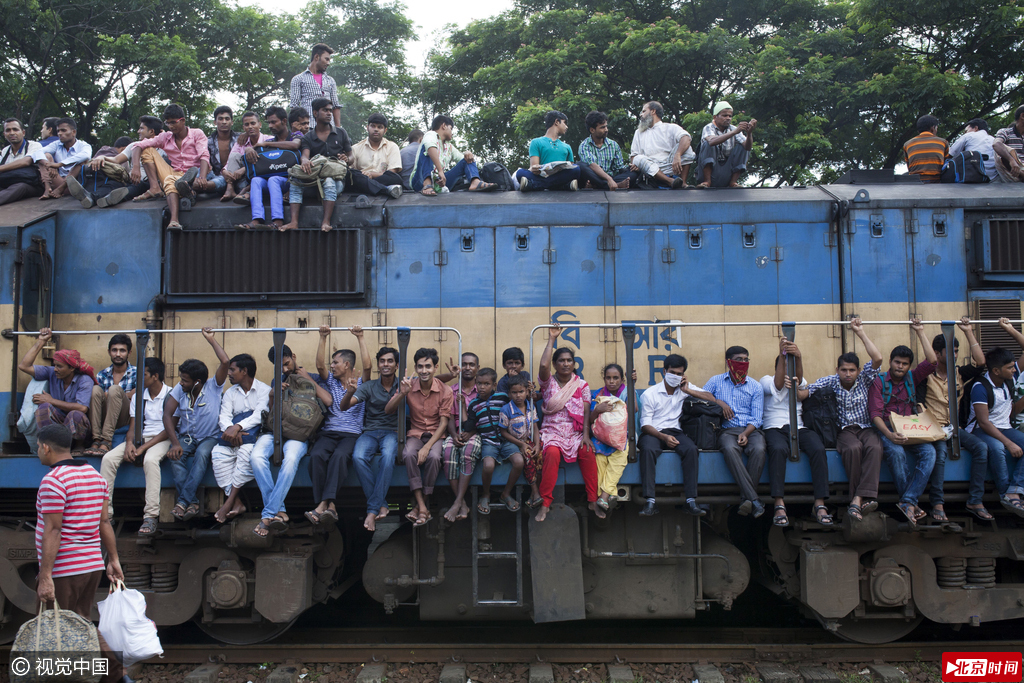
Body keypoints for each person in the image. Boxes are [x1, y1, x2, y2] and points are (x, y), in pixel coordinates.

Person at [34, 424, 124, 683]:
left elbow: (53, 530)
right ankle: (117, 676)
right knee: (82, 623)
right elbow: (104, 522)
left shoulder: (53, 481)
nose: (38, 451)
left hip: (64, 569)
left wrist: (46, 576)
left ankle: (109, 675)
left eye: (38, 447)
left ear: (46, 448)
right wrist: (113, 560)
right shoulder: (95, 477)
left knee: (54, 630)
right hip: (91, 565)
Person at [250, 344, 332, 538]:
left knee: (291, 459)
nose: (285, 369)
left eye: (287, 363)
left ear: (293, 356)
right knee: (256, 457)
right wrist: (273, 394)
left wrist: (308, 379)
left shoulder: (314, 377)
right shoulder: (277, 380)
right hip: (276, 431)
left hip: (300, 434)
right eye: (281, 367)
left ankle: (268, 514)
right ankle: (278, 510)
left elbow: (328, 401)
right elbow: (273, 413)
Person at [807, 318, 884, 521]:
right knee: (852, 449)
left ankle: (857, 499)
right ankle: (861, 499)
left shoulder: (865, 379)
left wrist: (860, 332)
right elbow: (806, 392)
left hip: (866, 427)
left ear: (858, 371)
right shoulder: (832, 381)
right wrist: (795, 385)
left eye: (852, 370)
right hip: (844, 430)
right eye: (844, 370)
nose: (848, 374)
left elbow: (877, 358)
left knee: (875, 447)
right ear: (837, 370)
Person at [919, 318, 990, 521]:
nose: (955, 355)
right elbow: (919, 405)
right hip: (934, 429)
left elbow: (980, 363)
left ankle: (975, 500)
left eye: (956, 351)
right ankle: (937, 503)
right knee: (940, 454)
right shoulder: (926, 376)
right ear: (937, 353)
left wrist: (968, 331)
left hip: (955, 429)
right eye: (950, 351)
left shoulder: (959, 373)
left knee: (981, 448)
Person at [868, 319, 938, 525]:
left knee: (929, 452)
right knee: (897, 453)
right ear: (891, 361)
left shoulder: (912, 378)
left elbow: (932, 362)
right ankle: (910, 503)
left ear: (909, 366)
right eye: (897, 362)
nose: (900, 367)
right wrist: (890, 435)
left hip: (910, 427)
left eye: (905, 364)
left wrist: (920, 331)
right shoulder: (879, 382)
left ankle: (908, 501)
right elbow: (875, 415)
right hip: (887, 428)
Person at [305, 326, 372, 528]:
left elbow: (368, 366)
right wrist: (322, 337)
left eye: (335, 362)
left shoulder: (361, 383)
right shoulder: (331, 382)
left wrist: (360, 337)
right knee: (316, 455)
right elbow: (319, 366)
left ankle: (322, 505)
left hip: (351, 434)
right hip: (329, 432)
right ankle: (330, 505)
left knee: (340, 457)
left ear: (347, 364)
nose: (332, 366)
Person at [760, 338, 831, 527]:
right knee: (778, 449)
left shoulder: (799, 380)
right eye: (785, 366)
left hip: (798, 426)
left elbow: (800, 380)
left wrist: (798, 358)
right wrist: (782, 355)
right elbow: (777, 385)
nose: (787, 370)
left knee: (817, 448)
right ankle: (779, 503)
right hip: (774, 426)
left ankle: (819, 503)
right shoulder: (766, 380)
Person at [534, 323, 600, 522]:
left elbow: (586, 411)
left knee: (587, 452)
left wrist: (586, 436)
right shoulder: (548, 383)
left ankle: (592, 500)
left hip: (575, 433)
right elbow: (543, 366)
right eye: (561, 360)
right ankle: (545, 503)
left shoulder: (582, 385)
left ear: (574, 363)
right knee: (552, 454)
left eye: (569, 360)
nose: (565, 364)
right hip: (552, 432)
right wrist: (552, 339)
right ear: (555, 364)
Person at [163, 328, 230, 522]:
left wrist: (211, 339)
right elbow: (167, 415)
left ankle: (183, 501)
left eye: (185, 380)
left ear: (197, 382)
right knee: (175, 457)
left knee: (201, 455)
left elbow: (225, 362)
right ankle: (191, 502)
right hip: (186, 437)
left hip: (210, 437)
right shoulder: (180, 389)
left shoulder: (213, 387)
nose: (181, 383)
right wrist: (175, 443)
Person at [640, 354, 717, 517]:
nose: (675, 376)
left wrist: (688, 390)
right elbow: (645, 425)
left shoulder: (684, 390)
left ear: (683, 375)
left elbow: (711, 398)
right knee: (648, 450)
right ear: (664, 371)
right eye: (672, 372)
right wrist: (663, 437)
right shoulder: (650, 394)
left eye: (679, 374)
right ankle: (650, 501)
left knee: (691, 449)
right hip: (654, 432)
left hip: (676, 432)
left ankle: (690, 501)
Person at [99, 358, 170, 536]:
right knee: (108, 459)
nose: (139, 379)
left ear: (155, 376)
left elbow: (169, 430)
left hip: (163, 438)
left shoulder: (170, 395)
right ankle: (106, 514)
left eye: (143, 375)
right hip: (141, 438)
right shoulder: (139, 396)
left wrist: (143, 448)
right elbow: (133, 426)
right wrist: (130, 443)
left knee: (150, 460)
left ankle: (151, 516)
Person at [387, 347, 452, 527]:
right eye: (420, 366)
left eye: (428, 366)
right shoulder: (409, 386)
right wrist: (402, 393)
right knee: (408, 454)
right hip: (415, 433)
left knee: (434, 457)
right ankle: (422, 506)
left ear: (435, 368)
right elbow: (388, 410)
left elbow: (443, 424)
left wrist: (426, 447)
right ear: (416, 367)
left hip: (436, 435)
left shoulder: (445, 390)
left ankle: (420, 505)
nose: (424, 370)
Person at [338, 346, 401, 532]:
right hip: (370, 432)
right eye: (382, 361)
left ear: (396, 365)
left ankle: (373, 510)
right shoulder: (369, 386)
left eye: (390, 361)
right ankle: (380, 505)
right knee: (358, 457)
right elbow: (344, 407)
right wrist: (350, 392)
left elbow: (432, 379)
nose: (386, 364)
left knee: (388, 457)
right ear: (378, 365)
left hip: (393, 432)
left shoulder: (404, 385)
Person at [966, 320, 1024, 518]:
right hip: (981, 430)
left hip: (1004, 427)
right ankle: (1005, 493)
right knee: (998, 448)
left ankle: (1014, 490)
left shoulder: (1009, 379)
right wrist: (1009, 443)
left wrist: (1010, 330)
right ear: (997, 371)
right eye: (1010, 367)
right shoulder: (981, 387)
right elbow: (984, 422)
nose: (1014, 370)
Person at [704, 345, 766, 516]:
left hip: (751, 430)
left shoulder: (755, 386)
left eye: (746, 360)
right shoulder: (716, 381)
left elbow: (757, 418)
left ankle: (748, 499)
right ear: (728, 362)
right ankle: (753, 499)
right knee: (730, 449)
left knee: (759, 449)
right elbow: (701, 395)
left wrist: (745, 434)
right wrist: (719, 402)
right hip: (727, 430)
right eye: (739, 359)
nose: (743, 363)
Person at [132, 104, 212, 230]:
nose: (170, 126)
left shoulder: (197, 133)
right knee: (147, 150)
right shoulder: (165, 137)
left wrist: (202, 176)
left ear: (182, 120)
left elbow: (204, 155)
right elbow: (138, 145)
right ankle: (155, 188)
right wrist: (135, 167)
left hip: (194, 173)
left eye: (173, 122)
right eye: (168, 123)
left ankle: (174, 219)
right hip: (175, 172)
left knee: (170, 180)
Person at [211, 353, 269, 523]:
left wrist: (238, 427)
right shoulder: (230, 393)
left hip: (253, 437)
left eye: (232, 370)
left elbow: (259, 415)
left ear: (244, 371)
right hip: (231, 437)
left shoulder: (264, 390)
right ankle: (236, 502)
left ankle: (229, 502)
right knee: (217, 455)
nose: (229, 374)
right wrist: (231, 431)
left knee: (246, 455)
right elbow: (224, 416)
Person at [282, 97, 352, 232]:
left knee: (329, 181)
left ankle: (326, 222)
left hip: (336, 181)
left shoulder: (341, 132)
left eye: (330, 110)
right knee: (295, 181)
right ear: (315, 113)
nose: (329, 113)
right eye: (325, 110)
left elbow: (352, 157)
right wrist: (305, 161)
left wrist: (347, 158)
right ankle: (294, 222)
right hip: (314, 182)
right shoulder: (308, 136)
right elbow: (305, 155)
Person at [18, 328, 96, 449]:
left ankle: (78, 446)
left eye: (59, 366)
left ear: (71, 368)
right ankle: (49, 445)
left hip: (80, 428)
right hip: (59, 424)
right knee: (43, 408)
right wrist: (42, 341)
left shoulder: (84, 380)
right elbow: (24, 366)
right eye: (54, 365)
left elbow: (82, 408)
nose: (55, 369)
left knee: (75, 414)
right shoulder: (52, 373)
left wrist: (51, 400)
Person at [236, 106, 302, 230]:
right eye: (269, 123)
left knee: (273, 179)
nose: (270, 126)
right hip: (272, 183)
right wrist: (249, 149)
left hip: (291, 182)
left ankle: (277, 220)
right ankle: (257, 219)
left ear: (284, 121)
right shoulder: (271, 140)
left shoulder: (295, 135)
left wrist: (266, 143)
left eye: (273, 122)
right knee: (256, 180)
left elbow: (295, 145)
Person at [80, 116, 165, 208]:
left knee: (137, 187)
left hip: (149, 184)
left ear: (151, 131)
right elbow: (116, 160)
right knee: (114, 184)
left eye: (141, 128)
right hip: (130, 180)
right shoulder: (134, 145)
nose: (138, 131)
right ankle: (90, 198)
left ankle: (110, 199)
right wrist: (102, 157)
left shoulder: (164, 148)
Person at [410, 115, 495, 195]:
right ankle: (427, 183)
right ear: (444, 126)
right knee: (427, 149)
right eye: (451, 128)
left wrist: (467, 154)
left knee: (468, 159)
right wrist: (440, 171)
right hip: (420, 180)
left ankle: (475, 181)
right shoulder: (431, 134)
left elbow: (463, 160)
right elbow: (430, 146)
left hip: (438, 183)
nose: (452, 133)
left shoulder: (449, 146)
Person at [440, 353, 480, 519]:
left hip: (476, 432)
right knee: (448, 452)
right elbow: (449, 416)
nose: (468, 368)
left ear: (477, 368)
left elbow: (484, 418)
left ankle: (457, 503)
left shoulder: (482, 390)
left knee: (468, 452)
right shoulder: (451, 390)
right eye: (464, 364)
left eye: (471, 364)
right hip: (456, 431)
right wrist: (453, 434)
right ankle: (461, 503)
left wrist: (471, 432)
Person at [590, 364, 634, 511]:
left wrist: (632, 386)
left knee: (619, 458)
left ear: (622, 379)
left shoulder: (627, 392)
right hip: (601, 438)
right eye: (608, 378)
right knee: (599, 459)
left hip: (621, 437)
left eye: (616, 378)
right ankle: (608, 495)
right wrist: (597, 410)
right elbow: (589, 420)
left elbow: (634, 409)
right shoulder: (598, 395)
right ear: (604, 379)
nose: (612, 381)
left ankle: (603, 496)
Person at [85, 334, 136, 457]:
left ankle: (107, 441)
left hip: (125, 417)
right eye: (114, 350)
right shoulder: (102, 374)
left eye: (122, 350)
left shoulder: (137, 373)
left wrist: (116, 394)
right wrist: (121, 395)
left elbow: (139, 394)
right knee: (95, 389)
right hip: (106, 416)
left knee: (114, 390)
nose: (118, 354)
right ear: (109, 352)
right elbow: (98, 398)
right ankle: (96, 439)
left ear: (129, 353)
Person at [499, 374, 543, 509]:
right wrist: (522, 445)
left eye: (521, 392)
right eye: (514, 392)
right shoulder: (506, 410)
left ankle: (535, 494)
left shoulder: (531, 406)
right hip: (513, 442)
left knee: (541, 455)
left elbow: (534, 427)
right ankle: (535, 492)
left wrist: (537, 444)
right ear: (509, 394)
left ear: (527, 392)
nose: (518, 395)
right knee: (528, 457)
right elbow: (503, 432)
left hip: (528, 440)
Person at [628, 102, 693, 189]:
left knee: (687, 147)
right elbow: (633, 158)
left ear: (653, 111)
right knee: (638, 158)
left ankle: (683, 183)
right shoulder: (639, 132)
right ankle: (670, 181)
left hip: (671, 166)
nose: (641, 115)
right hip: (650, 169)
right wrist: (636, 165)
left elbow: (686, 138)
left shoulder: (670, 127)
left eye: (644, 111)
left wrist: (678, 154)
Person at [515, 110, 580, 193]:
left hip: (559, 177)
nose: (566, 127)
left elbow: (570, 167)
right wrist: (535, 168)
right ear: (557, 122)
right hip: (541, 176)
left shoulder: (567, 146)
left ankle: (533, 185)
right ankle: (562, 186)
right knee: (520, 173)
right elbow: (534, 167)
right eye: (564, 123)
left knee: (576, 169)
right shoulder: (536, 142)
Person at [32, 117, 92, 199]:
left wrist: (59, 164)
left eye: (63, 130)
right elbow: (37, 153)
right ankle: (47, 189)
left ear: (73, 132)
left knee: (83, 161)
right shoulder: (56, 144)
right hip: (58, 181)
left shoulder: (83, 145)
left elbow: (86, 155)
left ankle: (60, 189)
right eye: (58, 131)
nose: (60, 133)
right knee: (46, 155)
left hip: (76, 184)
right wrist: (49, 164)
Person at [698, 102, 754, 188]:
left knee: (742, 147)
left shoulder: (733, 128)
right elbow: (712, 141)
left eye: (730, 116)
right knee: (708, 144)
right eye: (724, 115)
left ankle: (733, 182)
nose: (728, 118)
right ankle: (707, 181)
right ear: (715, 117)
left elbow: (748, 147)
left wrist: (749, 133)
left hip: (727, 171)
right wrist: (734, 132)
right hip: (712, 170)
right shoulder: (709, 127)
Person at [347, 113, 404, 198]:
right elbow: (352, 172)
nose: (376, 129)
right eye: (373, 126)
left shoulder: (392, 147)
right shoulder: (356, 148)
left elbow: (392, 172)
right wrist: (364, 175)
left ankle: (373, 187)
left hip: (379, 181)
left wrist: (371, 174)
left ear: (385, 130)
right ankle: (385, 189)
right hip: (362, 180)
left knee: (396, 178)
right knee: (351, 174)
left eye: (380, 127)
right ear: (367, 128)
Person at [64, 136, 131, 208]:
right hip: (106, 183)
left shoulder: (102, 150)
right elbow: (125, 175)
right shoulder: (122, 158)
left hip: (88, 178)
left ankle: (86, 195)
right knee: (121, 183)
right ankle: (105, 199)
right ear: (123, 149)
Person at [219, 110, 270, 203]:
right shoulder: (241, 142)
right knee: (234, 155)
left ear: (260, 125)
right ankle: (230, 188)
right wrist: (224, 171)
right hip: (241, 179)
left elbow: (267, 162)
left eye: (253, 123)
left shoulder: (268, 140)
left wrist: (244, 169)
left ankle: (245, 192)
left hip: (258, 178)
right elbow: (231, 159)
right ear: (243, 127)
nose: (250, 127)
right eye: (247, 124)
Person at [578, 111, 635, 190]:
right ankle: (613, 185)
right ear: (592, 130)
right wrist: (609, 180)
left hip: (612, 178)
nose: (606, 130)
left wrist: (631, 167)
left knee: (634, 172)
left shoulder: (613, 145)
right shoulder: (584, 145)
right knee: (580, 165)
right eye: (602, 127)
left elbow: (619, 168)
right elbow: (592, 165)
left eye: (606, 126)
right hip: (594, 177)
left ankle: (600, 186)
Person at [290, 44, 342, 128]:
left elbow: (335, 106)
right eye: (326, 59)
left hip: (329, 129)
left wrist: (338, 129)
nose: (328, 63)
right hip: (309, 127)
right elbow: (294, 106)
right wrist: (298, 128)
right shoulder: (298, 79)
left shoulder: (330, 80)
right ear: (317, 57)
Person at [0, 118, 43, 205]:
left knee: (20, 187)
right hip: (9, 183)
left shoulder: (34, 145)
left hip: (32, 185)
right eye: (8, 130)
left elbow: (26, 162)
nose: (12, 133)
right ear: (4, 134)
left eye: (15, 129)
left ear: (23, 132)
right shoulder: (5, 151)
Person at [902, 114, 949, 183]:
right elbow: (945, 165)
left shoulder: (907, 144)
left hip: (915, 182)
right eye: (936, 128)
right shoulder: (943, 142)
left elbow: (909, 167)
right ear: (933, 128)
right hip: (936, 181)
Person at [206, 105, 238, 193]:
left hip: (235, 176)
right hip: (215, 176)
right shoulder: (208, 142)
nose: (224, 122)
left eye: (227, 119)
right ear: (215, 122)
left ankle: (201, 187)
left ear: (232, 122)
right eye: (220, 119)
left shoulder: (240, 139)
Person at [994, 105, 1024, 183]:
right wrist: (1011, 160)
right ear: (1022, 116)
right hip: (1014, 171)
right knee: (1001, 148)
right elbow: (996, 144)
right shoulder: (1006, 132)